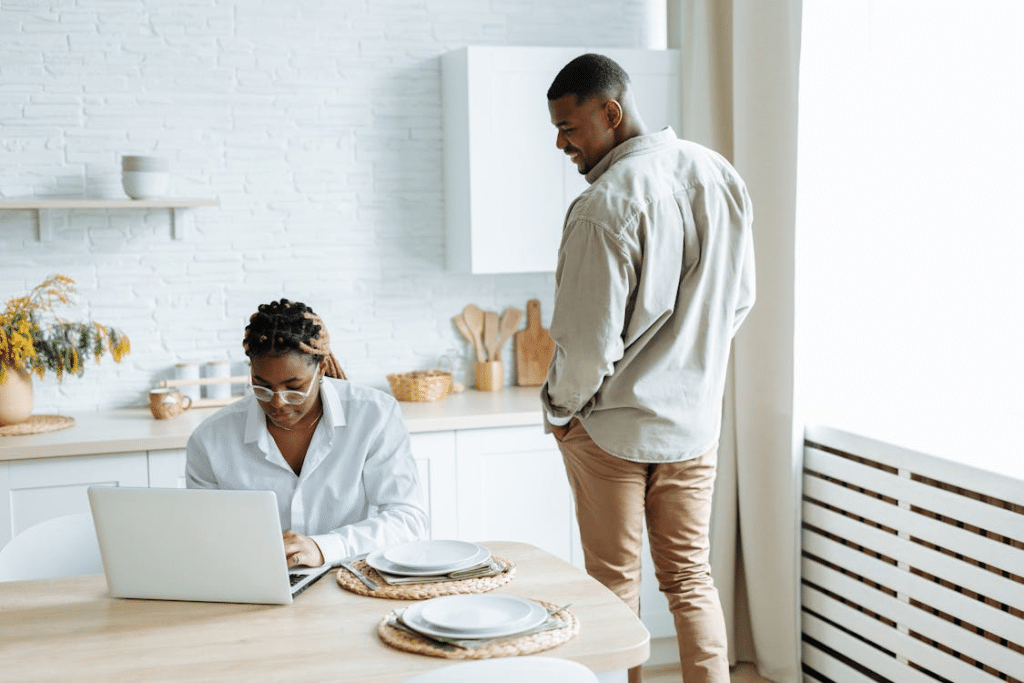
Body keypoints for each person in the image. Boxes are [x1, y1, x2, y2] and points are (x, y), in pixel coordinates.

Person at [541, 54, 755, 683]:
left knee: (611, 588)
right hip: (693, 423)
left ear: (611, 112)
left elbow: (586, 345)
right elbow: (739, 299)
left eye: (570, 127)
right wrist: (691, 364)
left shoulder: (604, 206)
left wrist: (560, 411)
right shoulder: (717, 172)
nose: (561, 143)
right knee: (692, 580)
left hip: (612, 430)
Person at [186, 299, 428, 569]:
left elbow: (407, 519)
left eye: (294, 387)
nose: (277, 403)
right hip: (254, 582)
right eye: (262, 387)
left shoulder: (374, 416)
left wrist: (324, 547)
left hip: (348, 577)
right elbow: (204, 535)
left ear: (321, 368)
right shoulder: (210, 440)